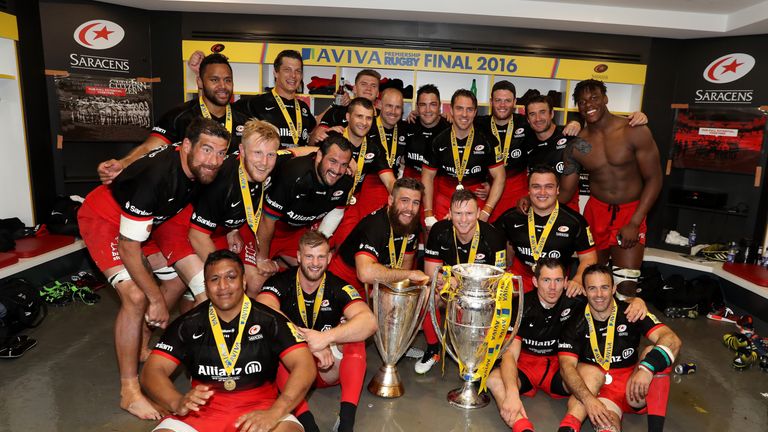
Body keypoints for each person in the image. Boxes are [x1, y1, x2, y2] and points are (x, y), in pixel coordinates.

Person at [77, 118, 230, 420]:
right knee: (136, 296)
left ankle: (152, 347)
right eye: (206, 150)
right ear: (186, 146)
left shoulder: (204, 168)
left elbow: (271, 154)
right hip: (109, 220)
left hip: (160, 218)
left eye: (220, 153)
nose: (213, 160)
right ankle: (129, 391)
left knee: (192, 282)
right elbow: (128, 247)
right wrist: (155, 300)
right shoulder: (158, 176)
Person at [140, 250, 316, 432]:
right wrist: (176, 401)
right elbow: (151, 371)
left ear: (244, 281)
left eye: (231, 277)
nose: (223, 286)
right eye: (214, 279)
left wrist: (276, 411)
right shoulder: (187, 324)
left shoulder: (270, 320)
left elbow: (305, 365)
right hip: (200, 414)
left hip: (261, 411)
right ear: (206, 287)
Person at [486, 258, 647, 432]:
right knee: (494, 380)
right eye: (546, 280)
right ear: (535, 281)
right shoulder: (520, 305)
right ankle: (522, 427)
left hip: (559, 367)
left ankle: (569, 427)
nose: (552, 287)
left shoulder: (576, 300)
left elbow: (603, 300)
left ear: (566, 282)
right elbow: (510, 355)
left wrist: (637, 301)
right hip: (525, 366)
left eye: (558, 280)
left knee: (593, 374)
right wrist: (512, 394)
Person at [257, 232, 377, 432]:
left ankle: (346, 423)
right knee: (275, 346)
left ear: (329, 258)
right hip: (294, 370)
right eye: (309, 256)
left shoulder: (338, 286)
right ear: (298, 256)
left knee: (355, 339)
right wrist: (306, 343)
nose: (315, 263)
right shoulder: (281, 281)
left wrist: (324, 338)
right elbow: (262, 309)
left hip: (329, 368)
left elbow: (369, 322)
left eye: (321, 256)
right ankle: (308, 424)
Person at [560, 80, 662, 299]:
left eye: (594, 98)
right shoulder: (578, 145)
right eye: (582, 101)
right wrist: (535, 199)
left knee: (625, 287)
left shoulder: (633, 131)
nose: (589, 104)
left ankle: (624, 332)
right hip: (596, 213)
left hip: (630, 211)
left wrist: (635, 222)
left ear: (605, 99)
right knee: (593, 284)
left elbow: (654, 179)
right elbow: (566, 193)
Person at [557, 264, 681, 432]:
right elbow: (566, 367)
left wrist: (647, 368)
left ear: (614, 288)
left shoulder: (631, 312)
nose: (599, 295)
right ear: (585, 291)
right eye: (592, 288)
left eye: (604, 287)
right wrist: (588, 399)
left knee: (657, 354)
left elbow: (672, 339)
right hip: (595, 388)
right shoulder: (574, 321)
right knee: (607, 426)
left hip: (633, 387)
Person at [98, 53, 247, 184]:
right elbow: (149, 148)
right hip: (188, 200)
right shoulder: (179, 116)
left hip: (226, 199)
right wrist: (123, 163)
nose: (223, 86)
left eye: (228, 80)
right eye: (214, 80)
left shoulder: (244, 121)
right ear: (200, 82)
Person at [189, 119, 292, 296]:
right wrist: (228, 271)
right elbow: (197, 235)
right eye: (257, 153)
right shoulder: (222, 181)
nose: (264, 162)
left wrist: (350, 160)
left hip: (228, 226)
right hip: (197, 230)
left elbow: (297, 152)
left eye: (271, 155)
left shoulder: (270, 163)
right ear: (242, 151)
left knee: (257, 283)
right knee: (224, 285)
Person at [416, 189, 508, 374]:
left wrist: (463, 289)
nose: (464, 219)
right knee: (426, 294)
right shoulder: (439, 231)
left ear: (478, 212)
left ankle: (478, 354)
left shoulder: (494, 237)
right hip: (448, 289)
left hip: (480, 295)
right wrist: (452, 287)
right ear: (450, 213)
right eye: (458, 213)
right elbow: (431, 274)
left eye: (469, 213)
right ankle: (434, 349)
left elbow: (498, 282)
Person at [255, 133, 354, 283]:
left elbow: (337, 212)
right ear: (319, 156)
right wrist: (262, 258)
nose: (337, 170)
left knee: (314, 277)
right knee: (257, 281)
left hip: (296, 232)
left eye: (344, 164)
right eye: (332, 161)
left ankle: (282, 264)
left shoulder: (345, 180)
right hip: (264, 227)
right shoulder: (294, 173)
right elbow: (267, 220)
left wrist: (316, 244)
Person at [495, 165, 597, 294]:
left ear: (557, 190)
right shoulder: (511, 217)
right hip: (520, 282)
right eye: (536, 186)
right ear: (528, 190)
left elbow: (589, 258)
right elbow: (491, 245)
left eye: (549, 187)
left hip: (557, 284)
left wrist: (577, 280)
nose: (542, 192)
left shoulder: (574, 221)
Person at [329, 177, 428, 298]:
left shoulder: (411, 223)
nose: (410, 209)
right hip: (345, 279)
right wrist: (410, 275)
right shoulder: (375, 225)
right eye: (404, 200)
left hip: (376, 282)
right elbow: (365, 273)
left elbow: (404, 264)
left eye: (415, 202)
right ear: (391, 200)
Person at [422, 89, 505, 226]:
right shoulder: (436, 140)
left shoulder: (488, 140)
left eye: (469, 109)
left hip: (477, 201)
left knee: (476, 246)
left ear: (475, 112)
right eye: (459, 109)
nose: (464, 114)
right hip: (444, 200)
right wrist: (428, 214)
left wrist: (486, 212)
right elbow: (427, 177)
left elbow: (500, 177)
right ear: (451, 110)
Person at [324, 97, 395, 247]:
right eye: (359, 116)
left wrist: (399, 198)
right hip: (323, 202)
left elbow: (389, 180)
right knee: (317, 247)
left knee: (347, 246)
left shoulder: (374, 147)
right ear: (348, 117)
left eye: (369, 118)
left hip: (348, 204)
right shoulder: (332, 139)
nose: (364, 122)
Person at [234, 49, 321, 148]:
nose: (293, 75)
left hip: (297, 162)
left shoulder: (303, 107)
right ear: (276, 72)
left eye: (298, 71)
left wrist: (335, 105)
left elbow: (313, 130)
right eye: (287, 70)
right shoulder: (255, 103)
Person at [402, 84, 451, 181]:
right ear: (417, 107)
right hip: (411, 181)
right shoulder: (408, 125)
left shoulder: (450, 129)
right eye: (423, 105)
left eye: (433, 104)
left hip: (438, 181)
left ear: (439, 106)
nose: (428, 110)